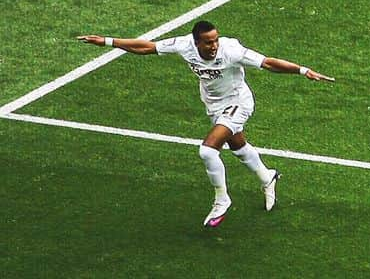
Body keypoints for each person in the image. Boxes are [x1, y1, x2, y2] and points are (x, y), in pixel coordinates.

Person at [76, 20, 333, 227]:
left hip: (238, 103)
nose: (213, 46)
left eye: (215, 40)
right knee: (238, 145)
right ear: (196, 42)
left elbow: (267, 62)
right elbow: (147, 47)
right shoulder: (183, 45)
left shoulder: (231, 50)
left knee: (208, 150)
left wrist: (302, 70)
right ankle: (268, 177)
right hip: (214, 105)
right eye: (208, 42)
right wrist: (108, 41)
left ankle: (222, 199)